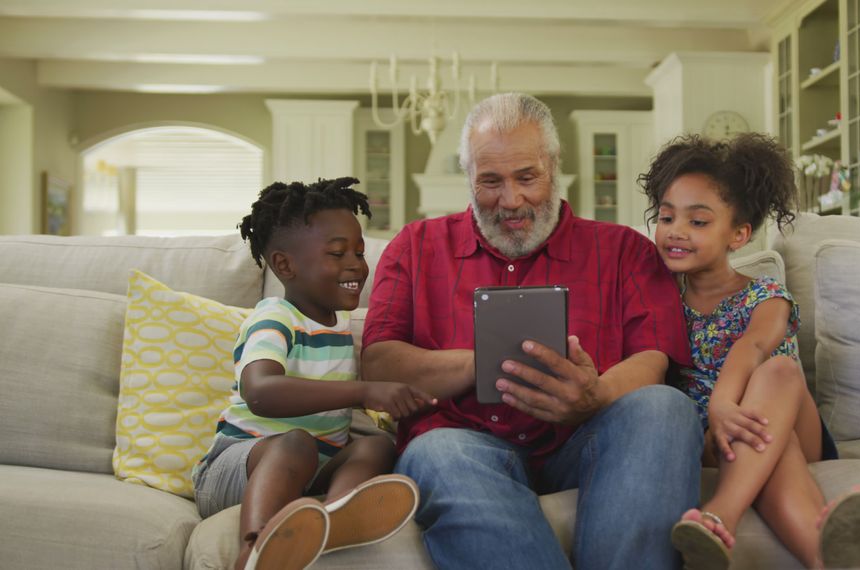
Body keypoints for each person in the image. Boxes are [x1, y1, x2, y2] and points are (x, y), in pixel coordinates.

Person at [360, 93, 702, 569]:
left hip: (585, 438)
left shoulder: (625, 250)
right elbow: (378, 364)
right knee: (436, 450)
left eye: (527, 177)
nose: (512, 200)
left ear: (553, 167)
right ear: (468, 179)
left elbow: (654, 359)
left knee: (666, 406)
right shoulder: (415, 247)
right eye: (490, 182)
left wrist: (596, 395)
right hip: (462, 441)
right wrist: (486, 361)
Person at [641, 134, 860, 569]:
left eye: (698, 222)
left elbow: (752, 348)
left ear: (739, 234)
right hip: (714, 441)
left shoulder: (767, 297)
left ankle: (719, 515)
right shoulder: (662, 302)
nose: (675, 231)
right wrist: (716, 417)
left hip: (781, 421)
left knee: (779, 373)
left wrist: (723, 403)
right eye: (666, 217)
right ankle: (824, 556)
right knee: (773, 444)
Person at [192, 177, 436, 570]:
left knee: (376, 447)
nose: (356, 263)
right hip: (237, 469)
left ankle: (336, 518)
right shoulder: (275, 317)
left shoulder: (339, 328)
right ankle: (254, 549)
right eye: (338, 253)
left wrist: (390, 408)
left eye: (358, 251)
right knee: (296, 443)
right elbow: (261, 391)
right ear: (285, 265)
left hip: (312, 469)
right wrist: (363, 392)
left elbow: (340, 403)